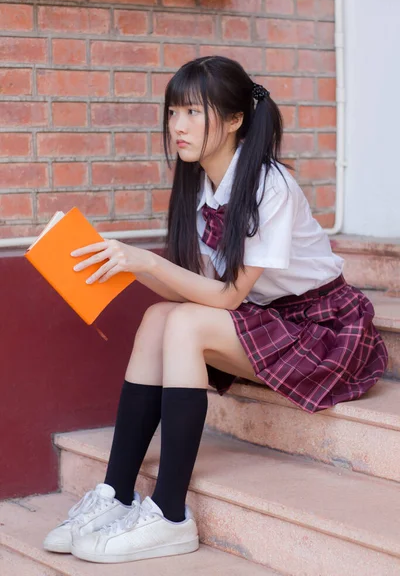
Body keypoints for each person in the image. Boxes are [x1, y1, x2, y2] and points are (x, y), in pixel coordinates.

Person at [43, 56, 388, 564]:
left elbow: (225, 298)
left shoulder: (271, 185)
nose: (177, 126)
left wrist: (143, 262)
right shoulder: (199, 182)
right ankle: (116, 493)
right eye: (172, 112)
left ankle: (170, 515)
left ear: (233, 120)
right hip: (268, 317)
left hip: (323, 329)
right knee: (158, 317)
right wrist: (126, 263)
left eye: (192, 113)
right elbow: (206, 288)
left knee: (179, 320)